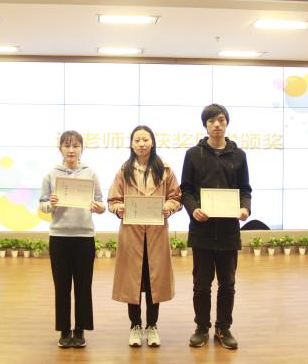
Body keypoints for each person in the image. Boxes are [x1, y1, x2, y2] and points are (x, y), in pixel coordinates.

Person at [180, 104, 252, 350]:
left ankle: (223, 328)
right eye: (211, 121)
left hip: (229, 231)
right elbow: (186, 190)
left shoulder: (239, 155)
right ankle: (201, 328)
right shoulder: (193, 154)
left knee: (227, 284)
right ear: (205, 125)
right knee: (201, 284)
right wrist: (193, 209)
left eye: (221, 120)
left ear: (227, 123)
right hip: (202, 230)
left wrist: (245, 208)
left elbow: (245, 190)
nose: (217, 125)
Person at [107, 125, 182, 348]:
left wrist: (169, 207)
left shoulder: (165, 169)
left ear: (152, 142)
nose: (141, 144)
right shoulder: (124, 170)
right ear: (131, 144)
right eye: (137, 140)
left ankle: (152, 326)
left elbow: (176, 197)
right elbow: (113, 200)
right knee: (132, 281)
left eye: (145, 140)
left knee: (153, 281)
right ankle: (135, 326)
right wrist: (119, 208)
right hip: (132, 234)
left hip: (157, 234)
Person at [39, 130, 106, 348]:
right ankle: (64, 330)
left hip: (84, 237)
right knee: (62, 287)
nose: (71, 150)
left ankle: (80, 330)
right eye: (67, 146)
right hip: (59, 237)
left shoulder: (90, 173)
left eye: (75, 146)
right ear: (60, 148)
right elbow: (42, 205)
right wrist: (51, 204)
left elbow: (101, 203)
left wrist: (99, 208)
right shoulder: (51, 175)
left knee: (83, 287)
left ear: (81, 149)